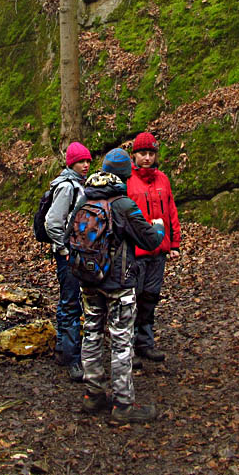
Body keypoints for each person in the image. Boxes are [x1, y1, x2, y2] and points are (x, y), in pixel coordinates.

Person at [77, 148, 165, 423]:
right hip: (119, 283)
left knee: (91, 334)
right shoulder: (123, 204)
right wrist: (159, 229)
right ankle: (123, 404)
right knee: (120, 340)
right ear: (126, 175)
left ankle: (93, 395)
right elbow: (150, 241)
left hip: (88, 280)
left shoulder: (84, 198)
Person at [126, 131, 181, 365]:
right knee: (132, 298)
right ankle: (127, 346)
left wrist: (175, 243)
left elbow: (171, 212)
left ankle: (145, 342)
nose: (147, 158)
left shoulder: (163, 179)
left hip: (159, 250)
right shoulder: (127, 180)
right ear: (134, 155)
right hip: (136, 251)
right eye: (142, 153)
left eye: (150, 153)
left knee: (150, 298)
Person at [44, 141, 91, 382]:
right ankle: (73, 359)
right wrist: (63, 249)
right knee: (72, 304)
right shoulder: (68, 187)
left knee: (67, 301)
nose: (85, 165)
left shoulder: (76, 185)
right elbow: (52, 221)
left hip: (73, 252)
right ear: (71, 163)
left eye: (87, 161)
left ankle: (63, 350)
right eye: (81, 161)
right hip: (68, 254)